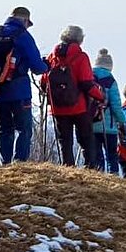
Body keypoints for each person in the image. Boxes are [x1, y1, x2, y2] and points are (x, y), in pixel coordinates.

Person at [0, 7, 48, 165]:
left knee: (4, 129)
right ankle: (19, 163)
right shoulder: (24, 36)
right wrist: (46, 65)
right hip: (20, 91)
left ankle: (5, 164)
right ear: (25, 21)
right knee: (23, 129)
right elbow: (37, 67)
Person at [42, 26, 103, 167]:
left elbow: (44, 82)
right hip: (79, 107)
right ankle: (90, 168)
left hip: (58, 108)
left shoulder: (53, 57)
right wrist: (100, 96)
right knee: (86, 139)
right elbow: (86, 83)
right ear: (79, 39)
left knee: (65, 141)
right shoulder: (81, 57)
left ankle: (68, 168)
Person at [92, 49, 126, 174]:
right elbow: (116, 104)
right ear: (110, 66)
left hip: (90, 123)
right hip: (109, 126)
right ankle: (113, 177)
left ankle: (98, 176)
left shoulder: (89, 76)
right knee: (111, 155)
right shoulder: (110, 79)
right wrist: (122, 121)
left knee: (96, 156)